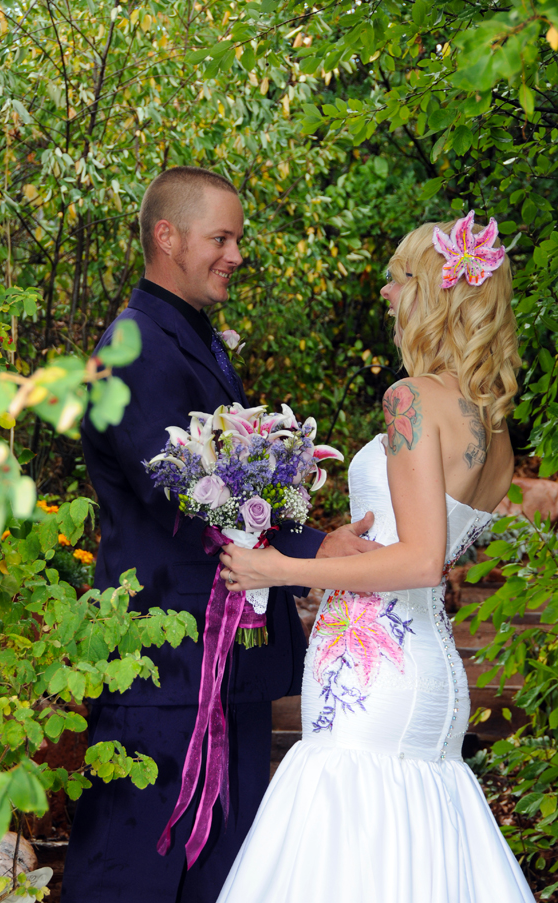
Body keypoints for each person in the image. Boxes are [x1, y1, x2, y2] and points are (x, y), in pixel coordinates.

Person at [61, 166, 375, 903]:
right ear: (166, 237)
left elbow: (242, 485)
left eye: (237, 238)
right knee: (136, 866)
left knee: (226, 870)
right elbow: (186, 499)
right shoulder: (136, 346)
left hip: (221, 656)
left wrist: (313, 536)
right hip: (164, 669)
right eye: (221, 237)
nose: (235, 253)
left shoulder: (190, 337)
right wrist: (313, 551)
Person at [217, 211, 535, 902]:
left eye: (397, 280)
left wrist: (280, 568)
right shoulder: (490, 424)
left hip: (373, 683)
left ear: (432, 291)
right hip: (426, 671)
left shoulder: (410, 400)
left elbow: (421, 560)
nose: (387, 296)